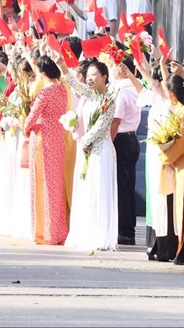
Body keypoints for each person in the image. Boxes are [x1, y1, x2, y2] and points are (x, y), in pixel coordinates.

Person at [61, 59, 119, 251]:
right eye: (89, 75)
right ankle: (86, 232)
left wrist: (85, 141)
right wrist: (61, 64)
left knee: (99, 190)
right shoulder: (90, 95)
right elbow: (74, 83)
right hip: (86, 149)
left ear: (104, 77)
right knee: (86, 190)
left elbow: (102, 127)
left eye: (95, 74)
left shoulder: (109, 99)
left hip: (101, 150)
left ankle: (100, 235)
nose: (90, 78)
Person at [23, 55, 70, 245]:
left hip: (43, 140)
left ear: (43, 73)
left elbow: (31, 118)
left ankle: (44, 232)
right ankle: (58, 231)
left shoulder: (44, 93)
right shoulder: (62, 90)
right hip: (59, 138)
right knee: (56, 186)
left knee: (42, 185)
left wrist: (25, 127)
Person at [111, 56, 143, 245]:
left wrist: (109, 140)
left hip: (121, 139)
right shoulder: (135, 89)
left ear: (122, 69)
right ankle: (128, 229)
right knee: (128, 187)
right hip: (131, 138)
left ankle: (124, 231)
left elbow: (116, 120)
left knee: (121, 188)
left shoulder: (122, 91)